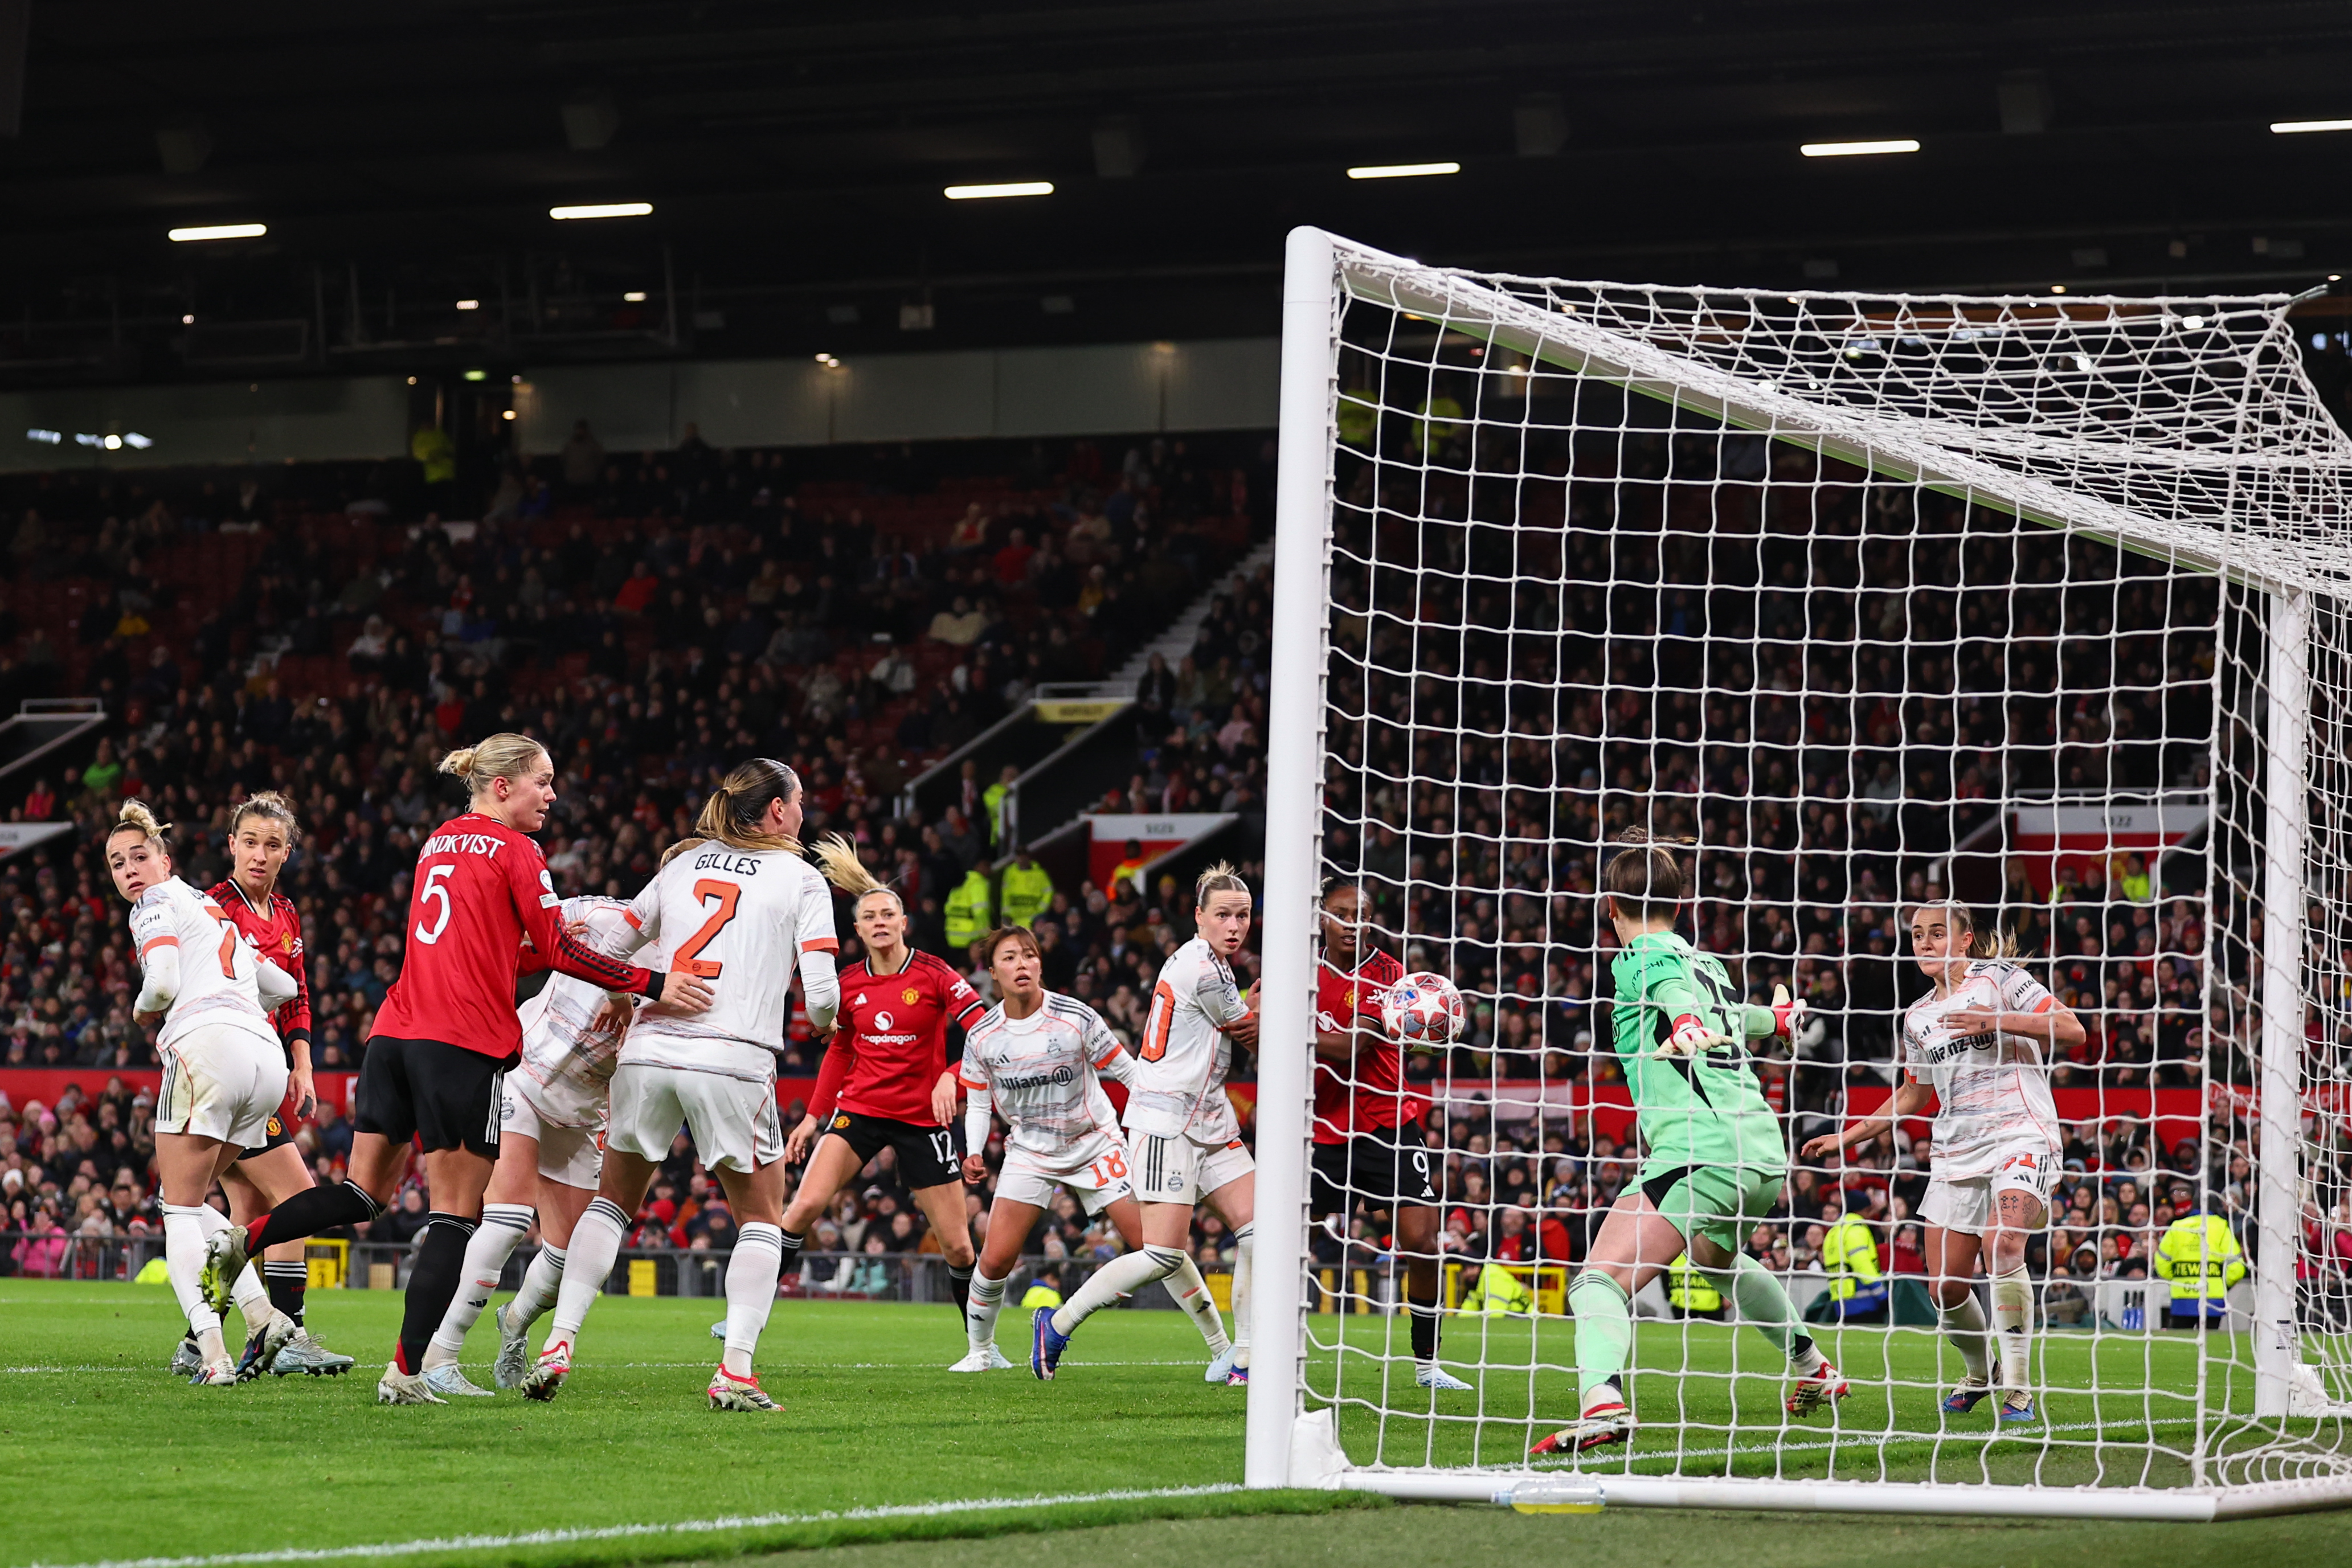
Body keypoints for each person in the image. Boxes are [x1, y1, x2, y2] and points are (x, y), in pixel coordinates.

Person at [204, 734, 713, 1406]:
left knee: (361, 1193)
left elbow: (506, 947)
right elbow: (555, 945)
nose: (552, 795)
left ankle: (246, 1238)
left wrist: (573, 965)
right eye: (543, 781)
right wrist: (650, 980)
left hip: (392, 1035)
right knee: (455, 1215)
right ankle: (406, 1373)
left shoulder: (438, 840)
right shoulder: (518, 849)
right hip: (463, 1045)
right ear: (502, 786)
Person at [525, 761, 836, 1411]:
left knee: (612, 1203)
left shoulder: (683, 865)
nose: (804, 812)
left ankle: (558, 1341)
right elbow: (825, 996)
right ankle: (736, 1372)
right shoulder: (803, 878)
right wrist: (828, 1026)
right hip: (732, 1057)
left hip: (648, 1052)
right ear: (776, 810)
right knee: (761, 1219)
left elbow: (612, 940)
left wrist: (620, 991)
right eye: (799, 801)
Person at [1531, 829, 1832, 1456]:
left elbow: (1673, 994)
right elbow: (1729, 1014)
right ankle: (1813, 1368)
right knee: (1715, 1261)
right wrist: (1774, 1021)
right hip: (1761, 1150)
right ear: (1679, 901)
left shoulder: (1639, 957)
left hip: (1701, 1150)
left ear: (1610, 907)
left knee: (1596, 1281)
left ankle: (1602, 1403)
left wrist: (1683, 1020)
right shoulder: (1709, 963)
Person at [1803, 900, 2085, 1427]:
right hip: (1956, 1148)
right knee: (1946, 1289)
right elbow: (1912, 1096)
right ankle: (1982, 1373)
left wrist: (1994, 1019)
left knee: (2002, 1244)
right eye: (1917, 935)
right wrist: (1848, 1136)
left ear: (1966, 939)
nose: (1926, 943)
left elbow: (2072, 1029)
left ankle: (2019, 1387)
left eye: (1938, 933)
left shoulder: (2000, 978)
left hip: (2020, 1132)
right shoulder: (1916, 1017)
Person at [955, 926, 1232, 1373]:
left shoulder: (1074, 1017)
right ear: (992, 972)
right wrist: (973, 1150)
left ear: (1040, 964)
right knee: (996, 1255)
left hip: (1095, 1145)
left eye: (1028, 955)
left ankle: (1221, 1348)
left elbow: (1128, 1071)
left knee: (1156, 1245)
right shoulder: (984, 1036)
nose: (1020, 964)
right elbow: (978, 1100)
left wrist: (1163, 1118)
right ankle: (981, 1352)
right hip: (1030, 1150)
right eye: (1009, 958)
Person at [1032, 862, 1259, 1383]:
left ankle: (1243, 1361)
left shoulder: (1215, 965)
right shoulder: (1202, 968)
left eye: (1243, 915)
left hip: (1209, 1118)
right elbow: (1249, 1031)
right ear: (1198, 916)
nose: (1234, 925)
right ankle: (1057, 1322)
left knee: (1260, 1232)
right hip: (1166, 1120)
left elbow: (1236, 1024)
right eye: (1223, 914)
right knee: (1161, 1253)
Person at [414, 894, 639, 1398]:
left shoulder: (695, 971)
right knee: (509, 1217)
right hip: (523, 1072)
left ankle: (513, 1322)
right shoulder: (606, 916)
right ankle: (439, 1356)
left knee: (567, 1255)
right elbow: (527, 927)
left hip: (583, 1113)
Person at [107, 801, 300, 1386]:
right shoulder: (212, 905)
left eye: (140, 856)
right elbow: (283, 983)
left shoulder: (155, 902)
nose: (130, 870)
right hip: (265, 1061)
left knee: (178, 1209)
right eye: (117, 863)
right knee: (198, 1206)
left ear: (165, 859)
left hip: (207, 1049)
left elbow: (161, 979)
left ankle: (213, 1354)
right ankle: (265, 1316)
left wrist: (143, 1011)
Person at [777, 837, 985, 1352]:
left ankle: (981, 1344)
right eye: (870, 916)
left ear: (903, 922)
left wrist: (951, 1076)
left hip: (921, 1119)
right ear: (858, 929)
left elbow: (986, 1032)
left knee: (958, 1246)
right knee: (801, 1209)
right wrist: (812, 1118)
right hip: (859, 1112)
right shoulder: (847, 984)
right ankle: (746, 1318)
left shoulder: (935, 973)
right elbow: (840, 1052)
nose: (879, 922)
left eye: (888, 913)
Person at [189, 792, 355, 1378]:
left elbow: (298, 992)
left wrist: (303, 1062)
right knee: (298, 1201)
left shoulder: (285, 912)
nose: (259, 854)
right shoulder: (211, 909)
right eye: (249, 841)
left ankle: (197, 1332)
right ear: (231, 844)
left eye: (272, 844)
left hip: (261, 1071)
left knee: (250, 1211)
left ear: (289, 851)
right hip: (225, 1068)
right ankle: (291, 1333)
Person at [1308, 881, 1465, 1390]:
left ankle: (1427, 1365)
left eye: (1360, 914)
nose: (1351, 923)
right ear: (1323, 917)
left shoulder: (1393, 978)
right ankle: (1254, 1349)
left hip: (1387, 1124)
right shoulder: (1298, 969)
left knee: (1421, 1242)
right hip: (1319, 1129)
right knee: (1277, 1241)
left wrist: (1278, 1025)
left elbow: (1353, 1045)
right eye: (1340, 913)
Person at [2154, 1196, 2247, 1329]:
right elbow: (2237, 1268)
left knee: (2181, 1343)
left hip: (2182, 1297)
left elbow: (2162, 1261)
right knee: (2209, 1344)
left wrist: (2177, 1278)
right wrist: (2222, 1284)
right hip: (2212, 1298)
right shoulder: (2221, 1227)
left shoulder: (2177, 1227)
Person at [1818, 1205, 1889, 1324]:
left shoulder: (1833, 1232)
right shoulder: (1855, 1229)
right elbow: (1862, 1265)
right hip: (1864, 1303)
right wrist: (1881, 1294)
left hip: (1841, 1302)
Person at [944, 857, 993, 958]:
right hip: (971, 941)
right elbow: (981, 912)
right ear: (979, 866)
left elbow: (948, 909)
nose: (990, 870)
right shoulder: (979, 884)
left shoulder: (961, 881)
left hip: (952, 939)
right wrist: (985, 936)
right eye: (987, 866)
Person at [999, 846, 1054, 931]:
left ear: (1028, 857)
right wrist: (1007, 913)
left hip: (1034, 918)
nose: (1021, 859)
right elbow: (1005, 893)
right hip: (1015, 918)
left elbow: (1049, 892)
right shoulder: (1010, 873)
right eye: (1019, 856)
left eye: (1023, 856)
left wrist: (1041, 909)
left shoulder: (1040, 874)